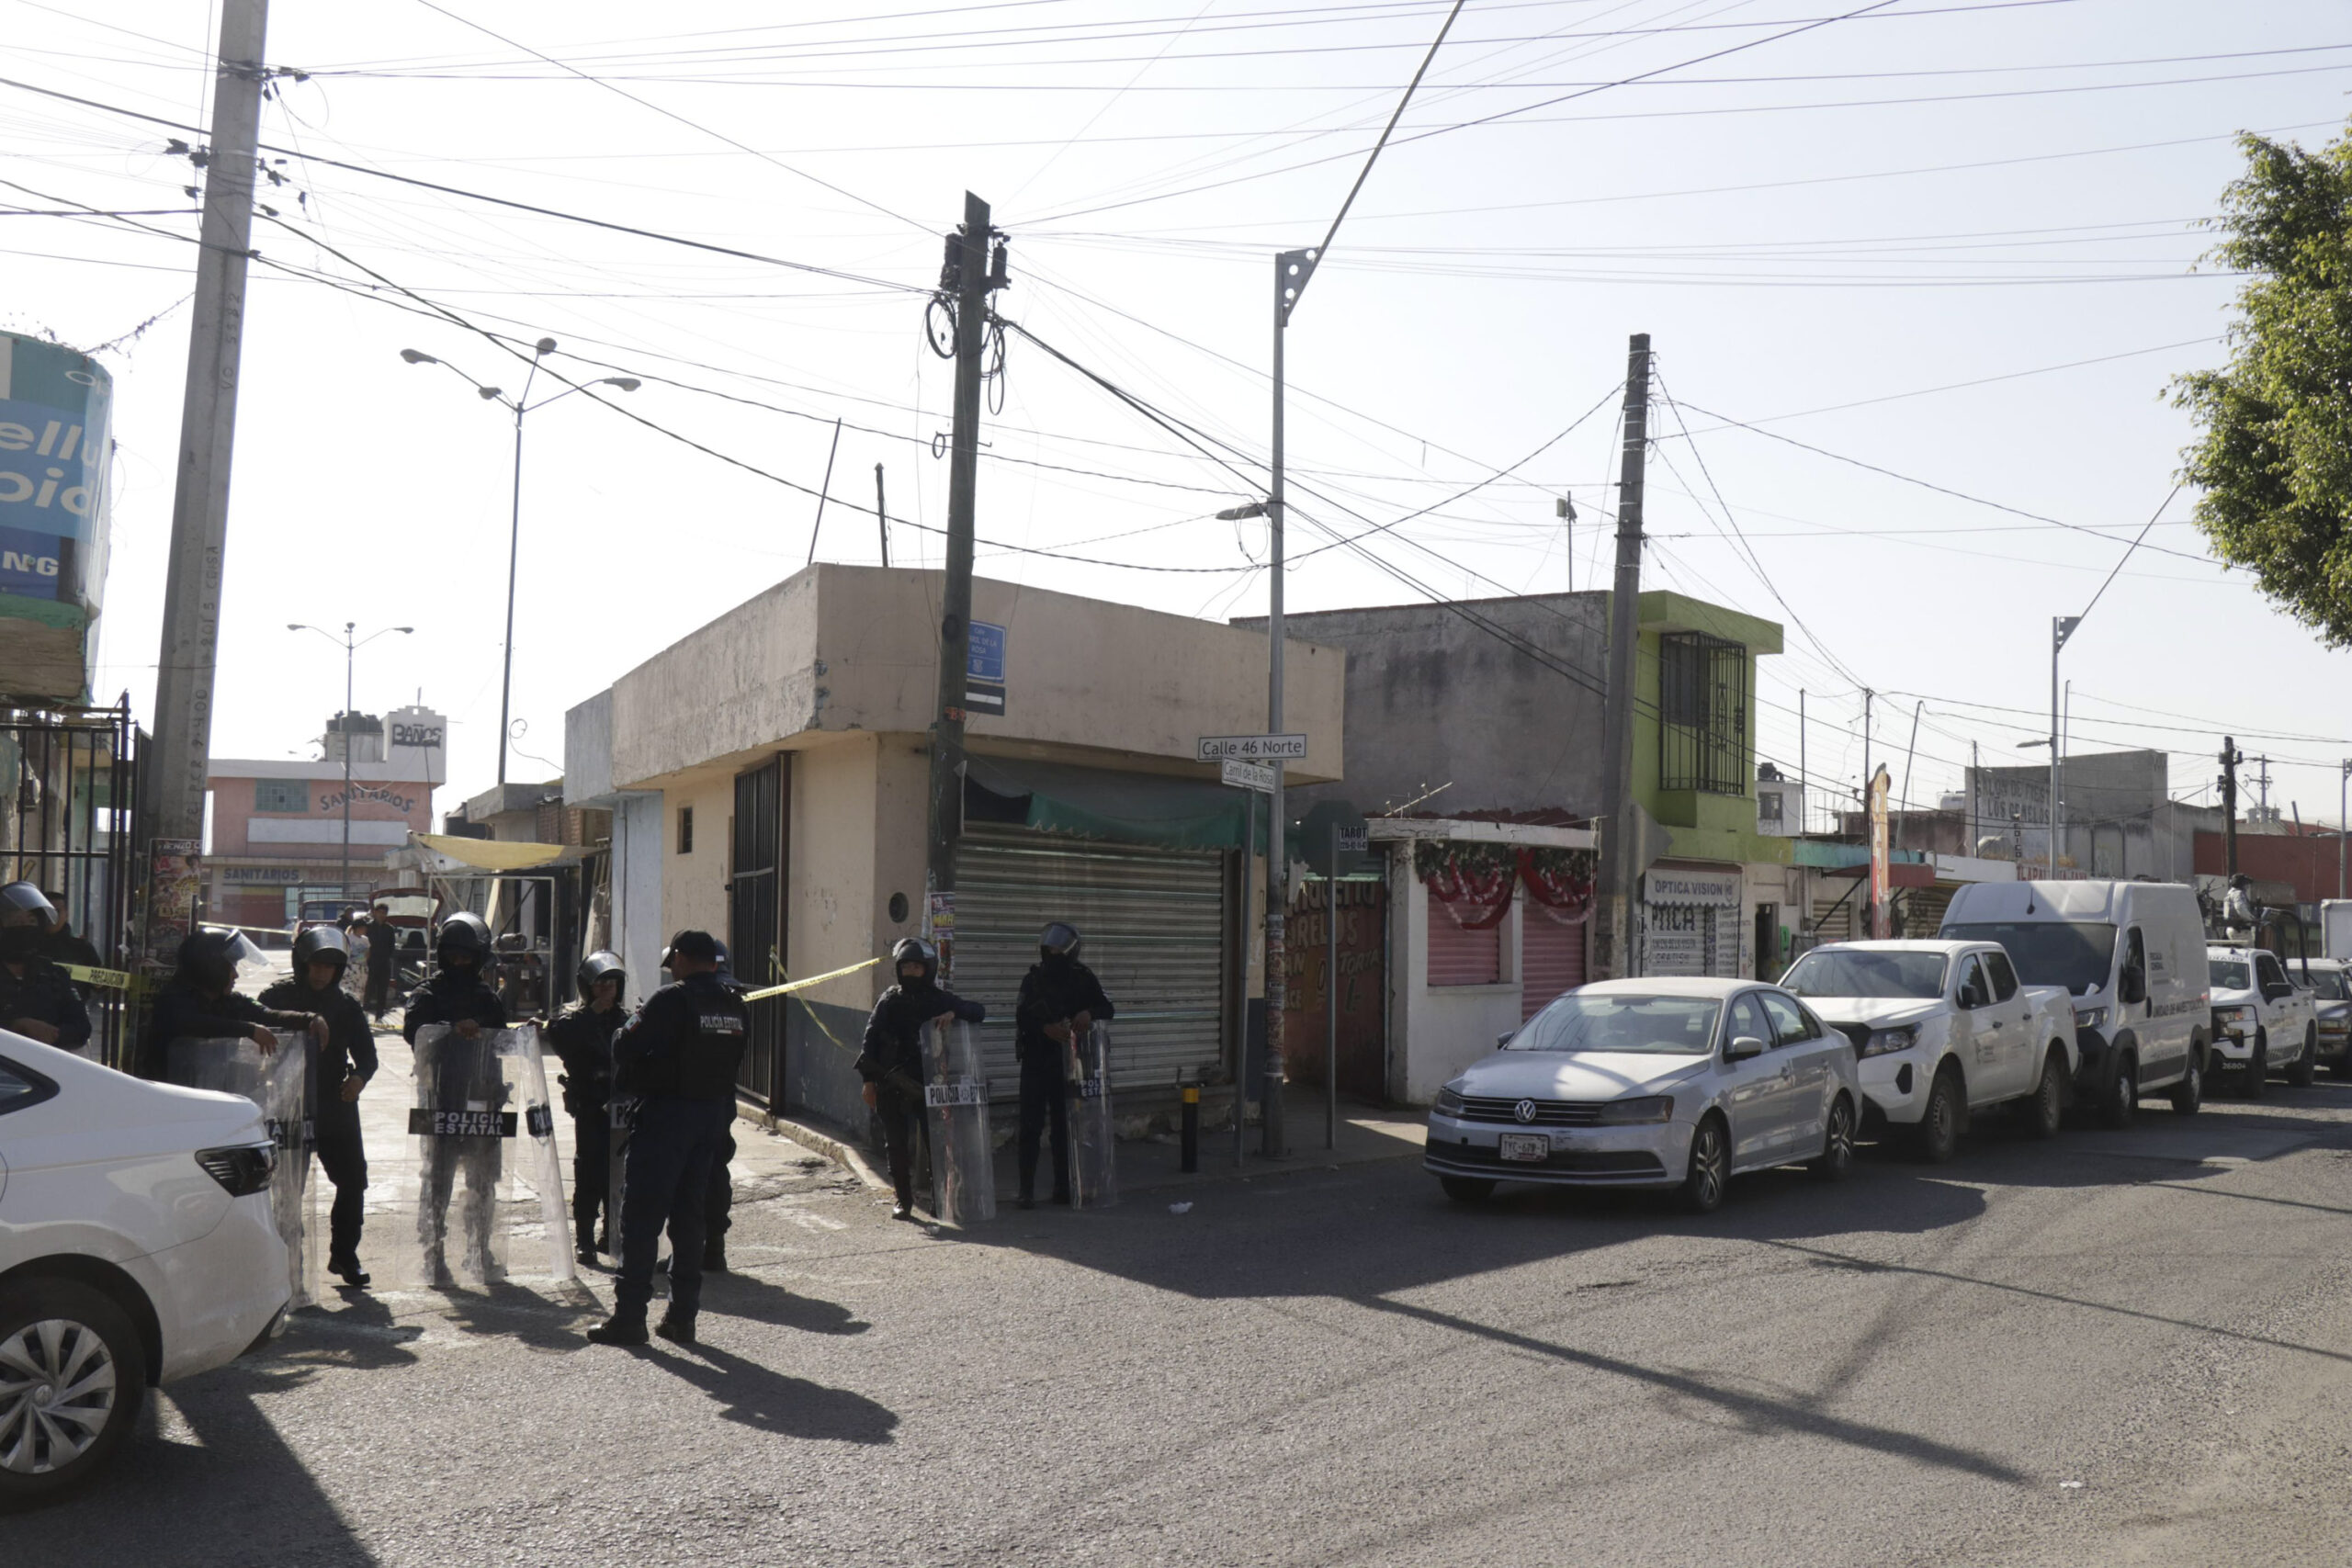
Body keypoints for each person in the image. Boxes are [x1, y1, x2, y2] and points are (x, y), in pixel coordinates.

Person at [587, 930, 748, 1348]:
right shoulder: (734, 1004)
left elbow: (624, 1045)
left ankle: (629, 1319)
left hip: (666, 1119)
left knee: (641, 1219)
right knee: (689, 1220)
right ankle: (681, 1318)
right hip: (710, 1120)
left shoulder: (671, 999)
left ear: (679, 957)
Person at [261, 925, 378, 1288]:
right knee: (288, 1187)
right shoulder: (275, 998)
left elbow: (367, 1057)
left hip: (333, 1101)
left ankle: (345, 1254)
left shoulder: (346, 1005)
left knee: (353, 1180)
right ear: (302, 963)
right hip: (286, 1102)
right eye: (316, 964)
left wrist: (358, 1079)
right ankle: (287, 1259)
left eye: (329, 966)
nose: (321, 973)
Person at [403, 911, 508, 1285]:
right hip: (440, 1097)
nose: (459, 963)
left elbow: (502, 1038)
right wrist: (449, 1030)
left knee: (483, 1180)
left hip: (481, 1095)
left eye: (466, 957)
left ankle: (480, 1248)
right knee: (438, 1180)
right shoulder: (427, 993)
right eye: (453, 956)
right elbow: (414, 1032)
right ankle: (433, 1252)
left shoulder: (486, 997)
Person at [857, 937, 986, 1221]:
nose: (911, 972)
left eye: (917, 967)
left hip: (929, 1083)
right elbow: (870, 1040)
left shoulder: (940, 999)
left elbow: (979, 1012)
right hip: (891, 1083)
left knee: (937, 1145)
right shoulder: (889, 999)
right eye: (906, 967)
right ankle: (903, 1200)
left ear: (928, 969)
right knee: (896, 1147)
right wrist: (868, 1082)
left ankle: (940, 1199)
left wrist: (953, 1012)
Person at [1013, 921, 1114, 1211]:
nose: (1053, 954)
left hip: (1069, 1061)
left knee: (1064, 1126)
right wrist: (1045, 1028)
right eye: (1049, 949)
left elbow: (1108, 1008)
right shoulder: (1033, 979)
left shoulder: (1083, 977)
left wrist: (1088, 1013)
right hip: (1036, 1058)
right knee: (1030, 1126)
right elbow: (1022, 1017)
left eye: (1058, 950)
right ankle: (1026, 1190)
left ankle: (1063, 1187)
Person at [146, 927, 322, 1081]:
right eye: (231, 967)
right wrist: (249, 1030)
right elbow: (194, 1023)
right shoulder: (172, 1001)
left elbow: (266, 1014)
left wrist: (310, 1019)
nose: (236, 975)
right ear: (212, 967)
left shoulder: (228, 1001)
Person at [548, 950, 627, 1266]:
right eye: (600, 984)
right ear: (587, 987)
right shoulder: (573, 1020)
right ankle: (585, 1238)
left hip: (621, 1107)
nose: (607, 989)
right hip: (591, 1105)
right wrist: (593, 1012)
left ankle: (612, 1233)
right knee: (589, 1171)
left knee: (618, 1172)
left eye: (612, 984)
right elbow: (559, 1037)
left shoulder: (627, 1020)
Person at [0, 883, 94, 1055]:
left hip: (45, 1065)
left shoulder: (54, 974)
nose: (24, 927)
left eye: (31, 921)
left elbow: (81, 1027)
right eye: (16, 921)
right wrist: (16, 1026)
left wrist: (53, 1034)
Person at [362, 903, 398, 1020]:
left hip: (384, 963)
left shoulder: (389, 929)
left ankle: (380, 1015)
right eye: (380, 912)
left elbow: (391, 946)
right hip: (370, 963)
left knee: (382, 990)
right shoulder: (368, 927)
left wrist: (386, 957)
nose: (382, 915)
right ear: (375, 913)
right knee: (368, 989)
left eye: (384, 913)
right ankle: (364, 1013)